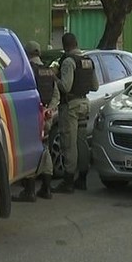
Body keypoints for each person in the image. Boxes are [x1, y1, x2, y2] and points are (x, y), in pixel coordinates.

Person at [54, 33, 98, 193]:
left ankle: (68, 181)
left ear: (65, 46)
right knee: (82, 142)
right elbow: (95, 86)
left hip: (71, 106)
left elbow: (65, 86)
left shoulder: (68, 61)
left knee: (69, 143)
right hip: (85, 104)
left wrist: (54, 78)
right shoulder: (88, 61)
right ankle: (83, 178)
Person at [15, 41, 59, 202]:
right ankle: (46, 189)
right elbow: (56, 95)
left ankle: (29, 191)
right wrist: (49, 110)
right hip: (47, 116)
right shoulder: (48, 71)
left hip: (32, 116)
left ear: (26, 54)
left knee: (30, 150)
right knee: (45, 149)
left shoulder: (28, 72)